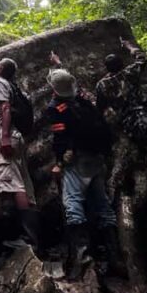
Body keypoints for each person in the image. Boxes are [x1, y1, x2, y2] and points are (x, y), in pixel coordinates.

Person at [95, 37, 147, 248]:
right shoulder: (130, 73)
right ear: (121, 65)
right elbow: (142, 58)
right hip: (146, 121)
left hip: (129, 127)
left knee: (145, 163)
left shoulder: (102, 84)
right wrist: (129, 46)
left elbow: (100, 108)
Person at [47, 51, 121, 278]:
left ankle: (83, 260)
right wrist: (60, 65)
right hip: (98, 159)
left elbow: (60, 139)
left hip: (77, 161)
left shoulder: (56, 108)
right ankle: (115, 256)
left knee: (73, 204)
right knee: (103, 205)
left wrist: (59, 163)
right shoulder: (84, 101)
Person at [0, 45, 39, 249]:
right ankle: (32, 235)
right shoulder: (10, 84)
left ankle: (26, 237)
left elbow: (5, 108)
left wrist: (4, 137)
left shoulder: (0, 83)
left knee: (13, 183)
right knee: (23, 182)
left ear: (1, 70)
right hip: (18, 136)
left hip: (8, 135)